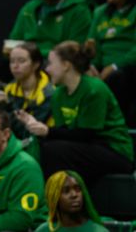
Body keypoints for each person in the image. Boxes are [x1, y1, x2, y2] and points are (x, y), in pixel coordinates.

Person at [16, 41, 134, 185]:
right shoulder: (58, 94)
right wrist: (35, 125)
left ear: (66, 65)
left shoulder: (94, 89)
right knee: (41, 146)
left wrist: (47, 131)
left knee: (53, 150)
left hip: (114, 151)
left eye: (51, 63)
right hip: (86, 148)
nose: (47, 69)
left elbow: (87, 134)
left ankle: (54, 200)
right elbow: (64, 132)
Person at [86, 0, 136, 126]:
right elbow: (93, 43)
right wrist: (92, 66)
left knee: (118, 77)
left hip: (129, 69)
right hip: (104, 69)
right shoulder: (100, 12)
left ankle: (115, 125)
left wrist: (114, 66)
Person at [0, 42, 53, 145]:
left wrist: (6, 107)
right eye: (12, 61)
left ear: (36, 64)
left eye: (21, 61)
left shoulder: (48, 94)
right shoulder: (9, 89)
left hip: (39, 144)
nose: (15, 66)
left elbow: (28, 133)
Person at [35, 170, 106, 232]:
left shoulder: (98, 230)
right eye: (66, 191)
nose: (74, 195)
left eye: (78, 189)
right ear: (54, 198)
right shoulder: (44, 230)